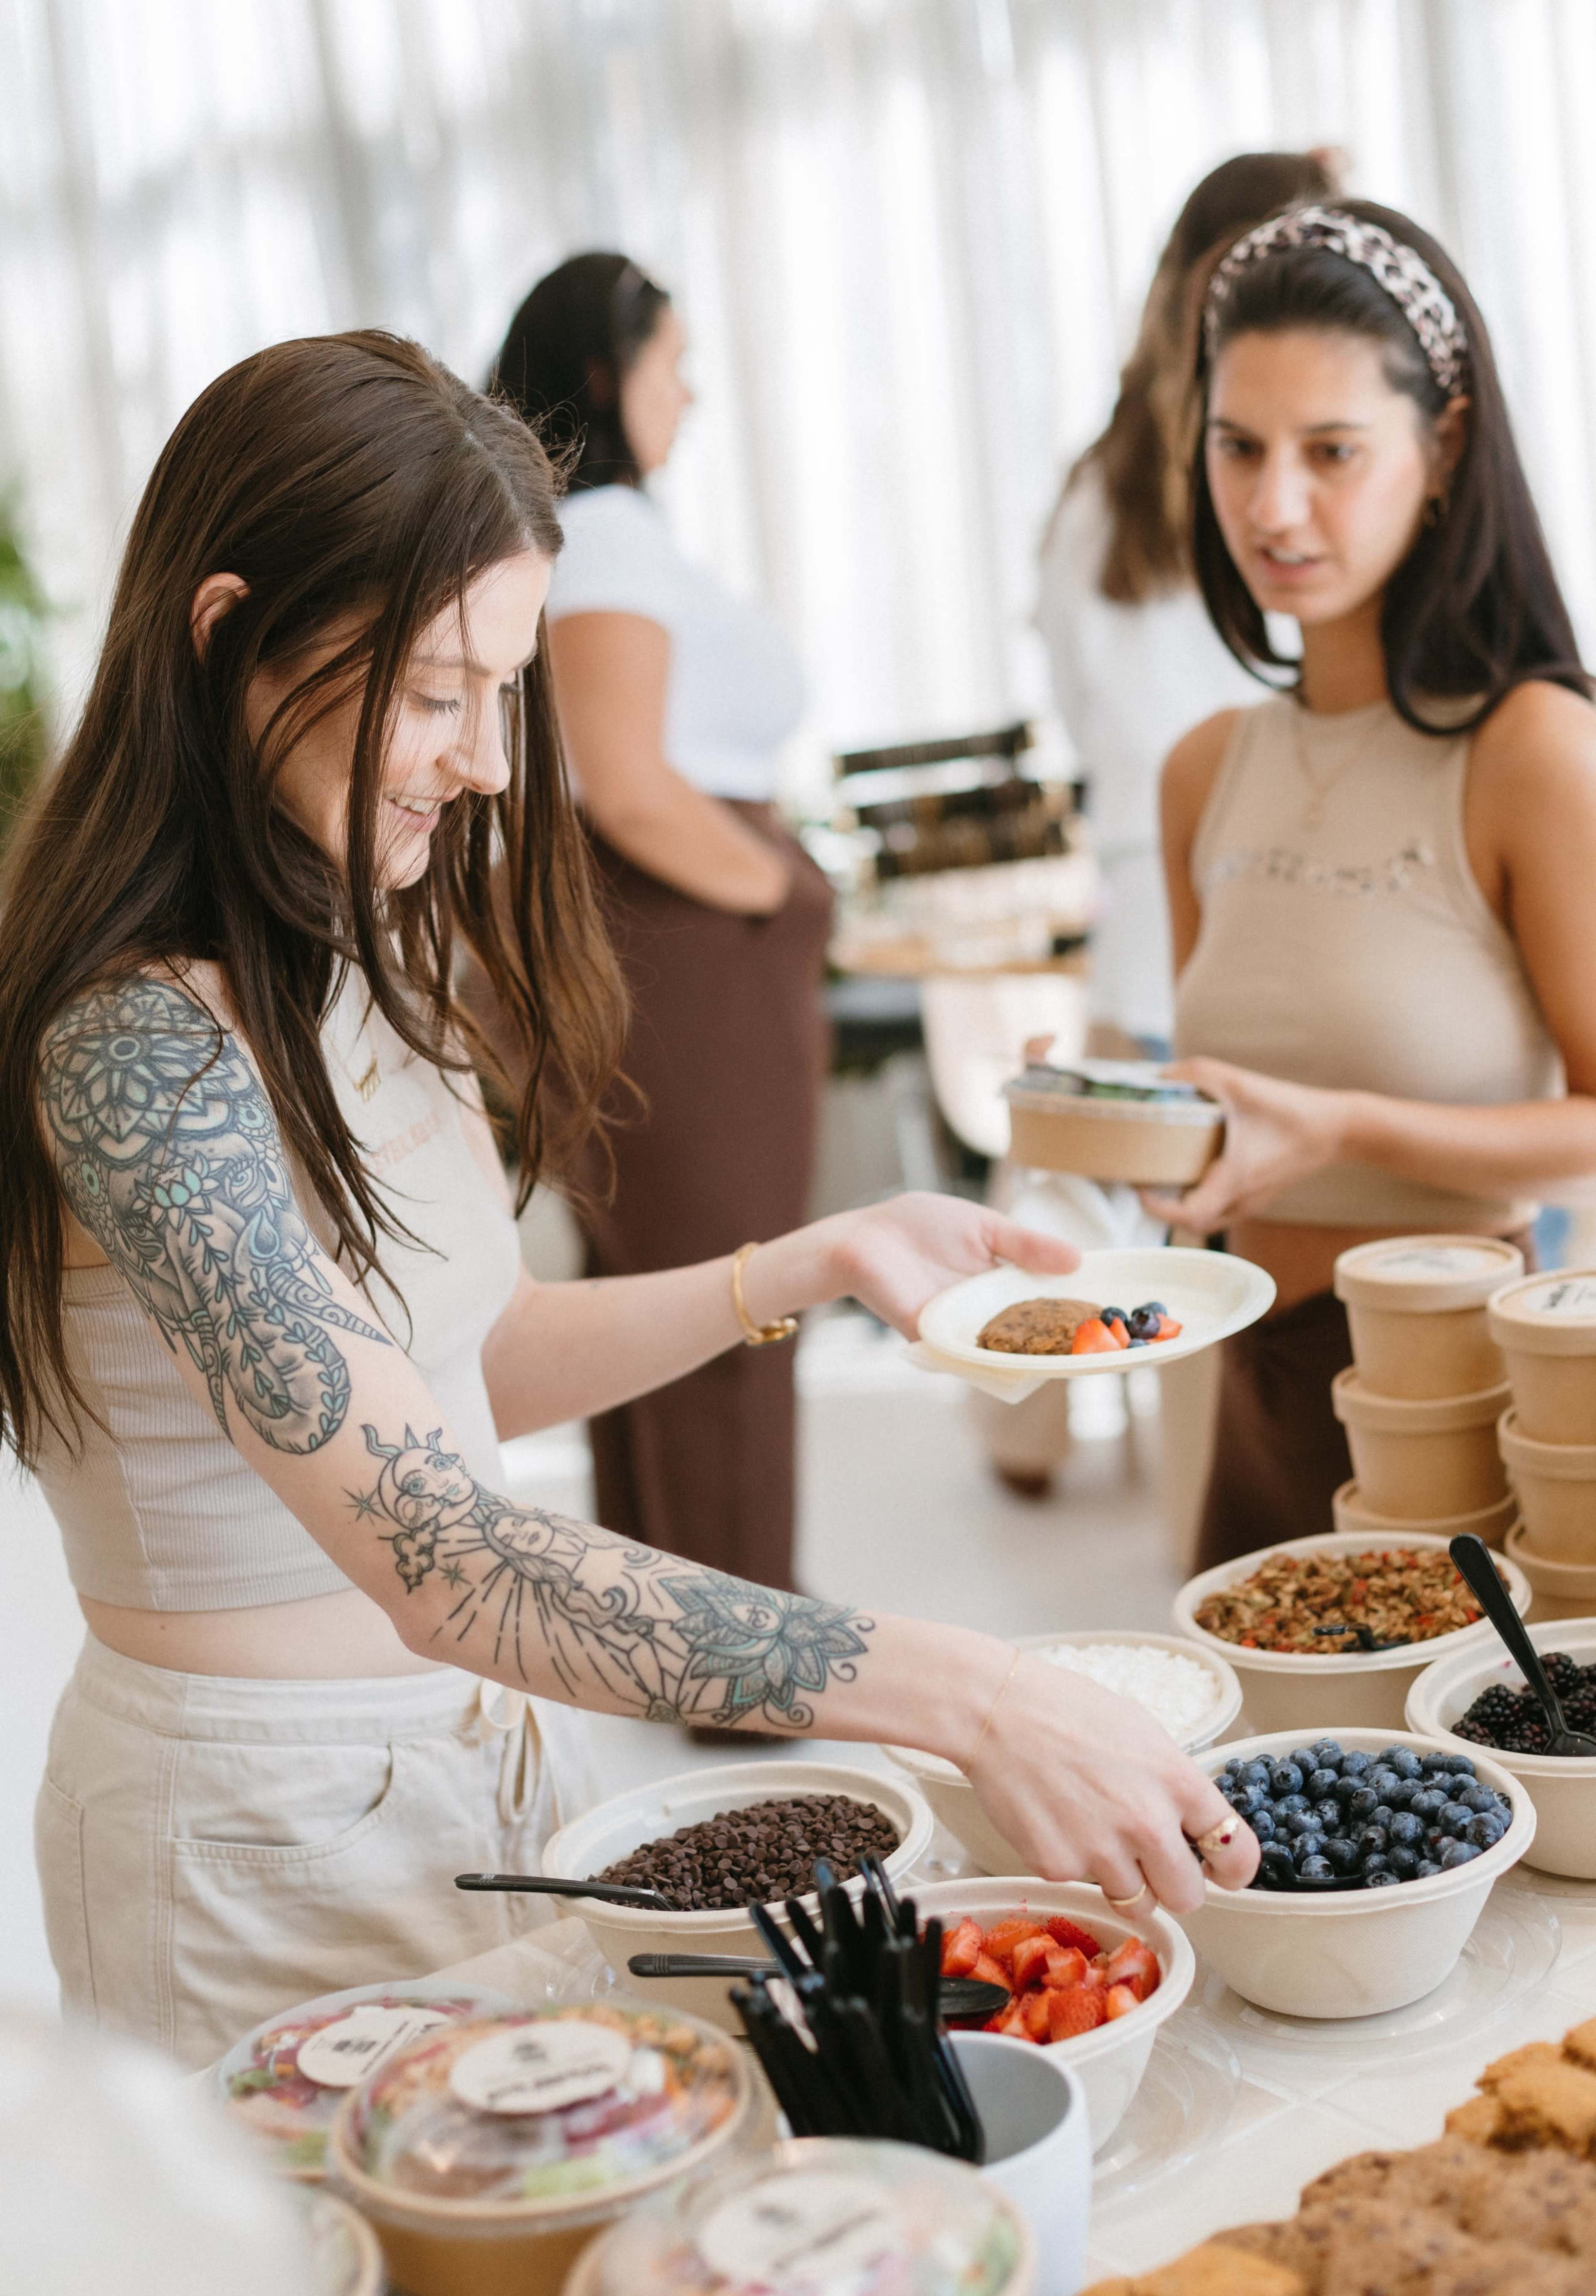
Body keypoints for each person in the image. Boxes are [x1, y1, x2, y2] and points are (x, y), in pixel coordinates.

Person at [0, 333, 1256, 2064]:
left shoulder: (360, 935)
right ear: (228, 642)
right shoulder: (131, 1054)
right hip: (252, 1851)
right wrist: (974, 1694)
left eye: (504, 689)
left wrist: (799, 1263)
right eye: (437, 692)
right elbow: (445, 1557)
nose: (491, 759)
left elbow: (465, 1360)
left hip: (473, 1775)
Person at [1151, 202, 1596, 1564]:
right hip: (1251, 1390)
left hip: (1464, 1409)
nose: (1274, 506)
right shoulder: (1204, 768)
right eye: (1240, 448)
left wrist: (1344, 1128)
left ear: (1443, 445)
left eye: (1332, 452)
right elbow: (1223, 1123)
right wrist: (1107, 1132)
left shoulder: (1531, 753)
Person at [483, 254, 831, 1597]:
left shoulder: (590, 534)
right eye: (669, 364)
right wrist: (779, 887)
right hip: (681, 943)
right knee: (736, 1298)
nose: (688, 393)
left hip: (654, 940)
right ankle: (747, 1666)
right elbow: (624, 782)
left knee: (671, 1300)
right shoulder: (609, 534)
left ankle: (676, 1633)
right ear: (597, 376)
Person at [1037, 151, 1335, 1053]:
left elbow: (1085, 712)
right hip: (1266, 936)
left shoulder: (1092, 491)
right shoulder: (1288, 493)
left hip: (1139, 954)